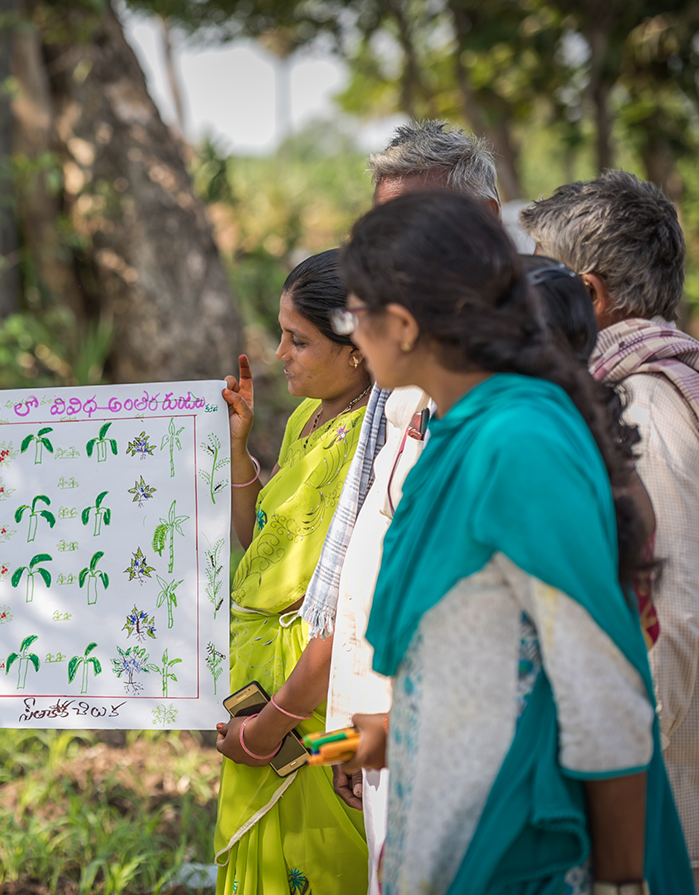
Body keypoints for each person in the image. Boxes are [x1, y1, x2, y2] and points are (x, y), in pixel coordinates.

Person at [337, 189, 692, 895]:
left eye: (354, 314)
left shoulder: (518, 443)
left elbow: (607, 690)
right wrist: (401, 728)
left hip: (532, 854)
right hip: (466, 829)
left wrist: (622, 883)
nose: (350, 334)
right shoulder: (459, 429)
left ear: (404, 325)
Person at [241, 120, 503, 894]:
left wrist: (277, 722)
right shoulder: (402, 356)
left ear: (484, 225)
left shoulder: (514, 371)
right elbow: (361, 558)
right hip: (372, 722)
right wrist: (358, 718)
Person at [521, 171, 699, 885]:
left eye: (537, 276)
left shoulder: (642, 411)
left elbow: (672, 616)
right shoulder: (638, 390)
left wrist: (612, 792)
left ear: (587, 295)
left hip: (656, 816)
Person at [212, 248, 373, 895]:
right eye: (280, 334)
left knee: (320, 864)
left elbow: (350, 610)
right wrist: (239, 446)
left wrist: (268, 728)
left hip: (311, 704)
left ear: (357, 348)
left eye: (298, 339)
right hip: (262, 690)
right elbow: (263, 551)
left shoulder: (376, 442)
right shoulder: (308, 419)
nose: (280, 353)